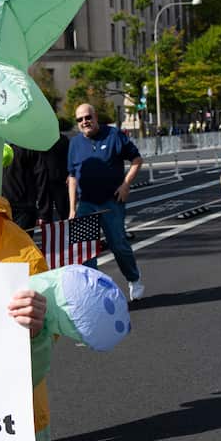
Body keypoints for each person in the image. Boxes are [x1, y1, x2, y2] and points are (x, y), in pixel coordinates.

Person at [67, 103, 145, 300]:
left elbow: (137, 160)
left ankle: (133, 278)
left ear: (95, 117)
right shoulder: (74, 144)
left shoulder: (113, 135)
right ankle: (91, 292)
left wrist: (126, 184)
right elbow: (72, 177)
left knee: (118, 244)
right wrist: (72, 209)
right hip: (86, 204)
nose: (84, 122)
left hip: (111, 202)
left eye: (88, 117)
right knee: (85, 250)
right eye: (80, 119)